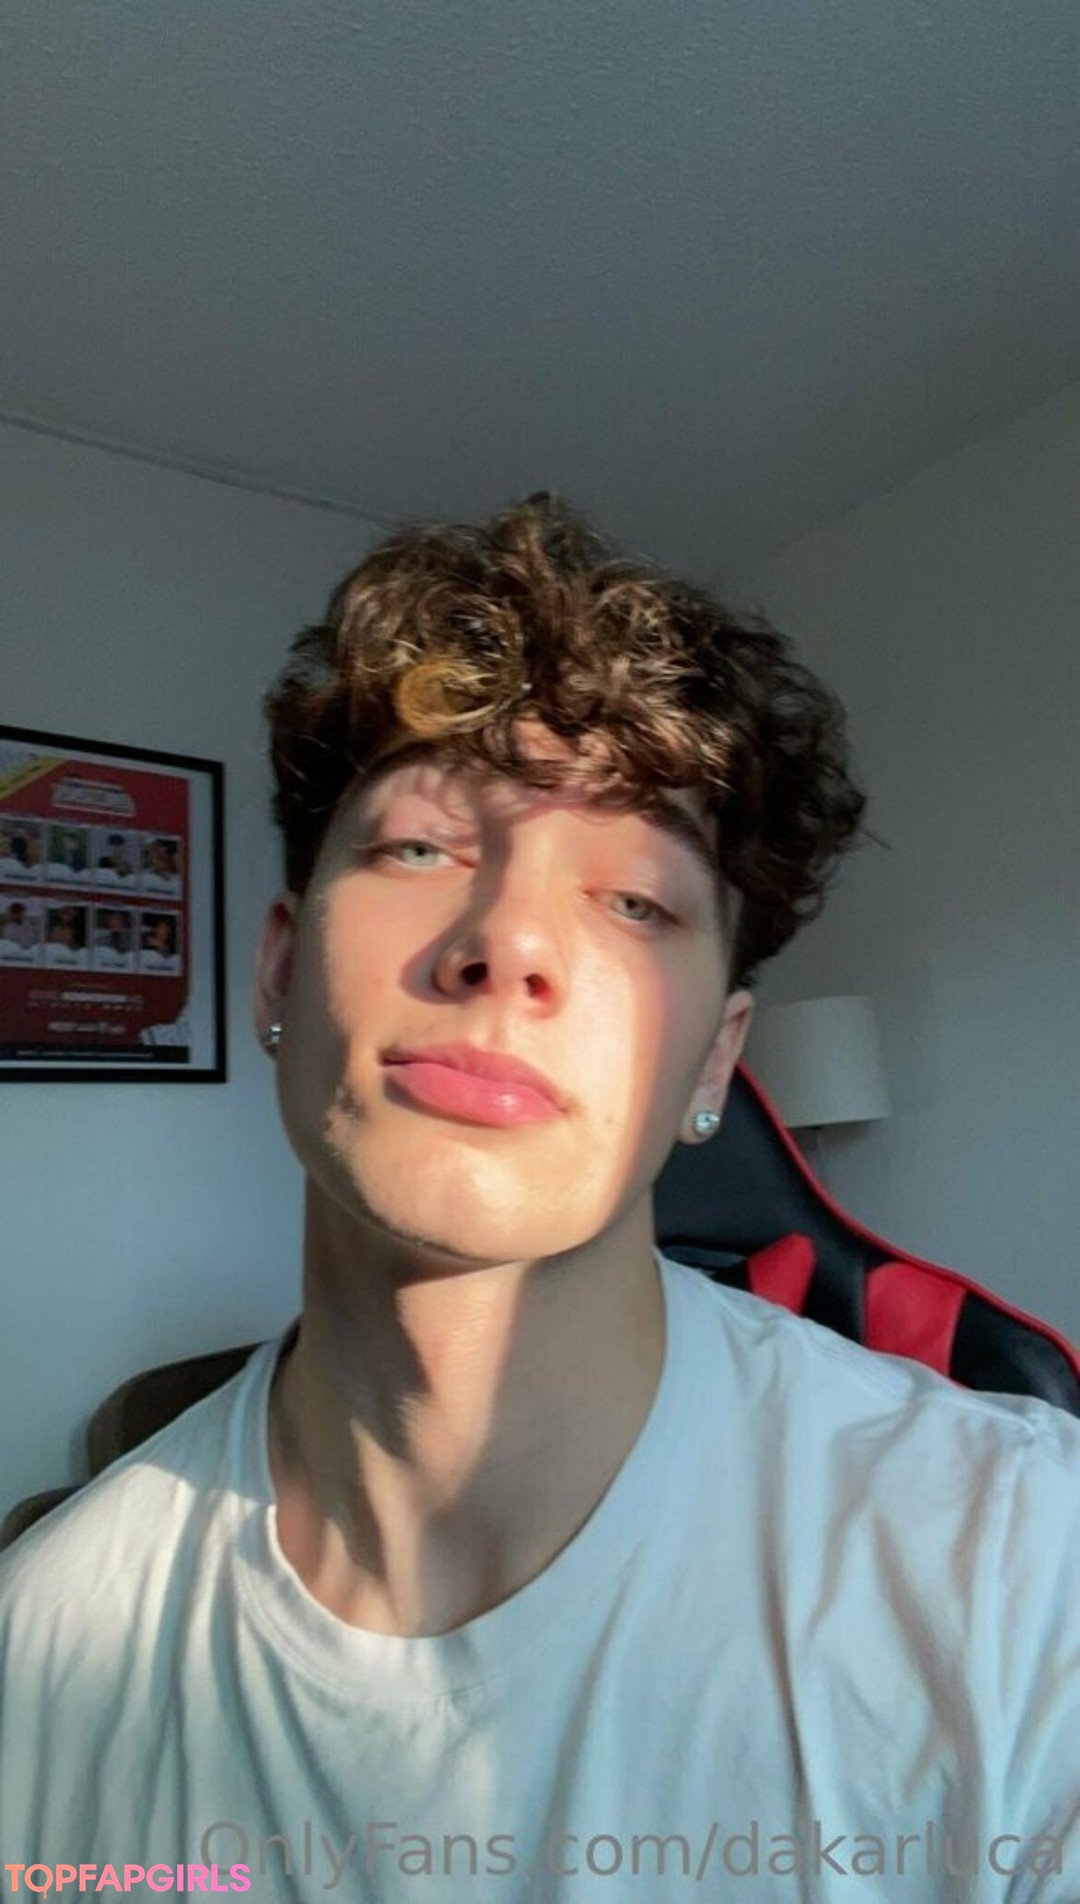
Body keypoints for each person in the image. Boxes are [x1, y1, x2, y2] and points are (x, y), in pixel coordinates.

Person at [0, 496, 1076, 1900]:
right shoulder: (44, 1645)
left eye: (638, 902)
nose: (509, 940)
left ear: (714, 1062)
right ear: (279, 972)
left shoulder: (1020, 1575)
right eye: (420, 846)